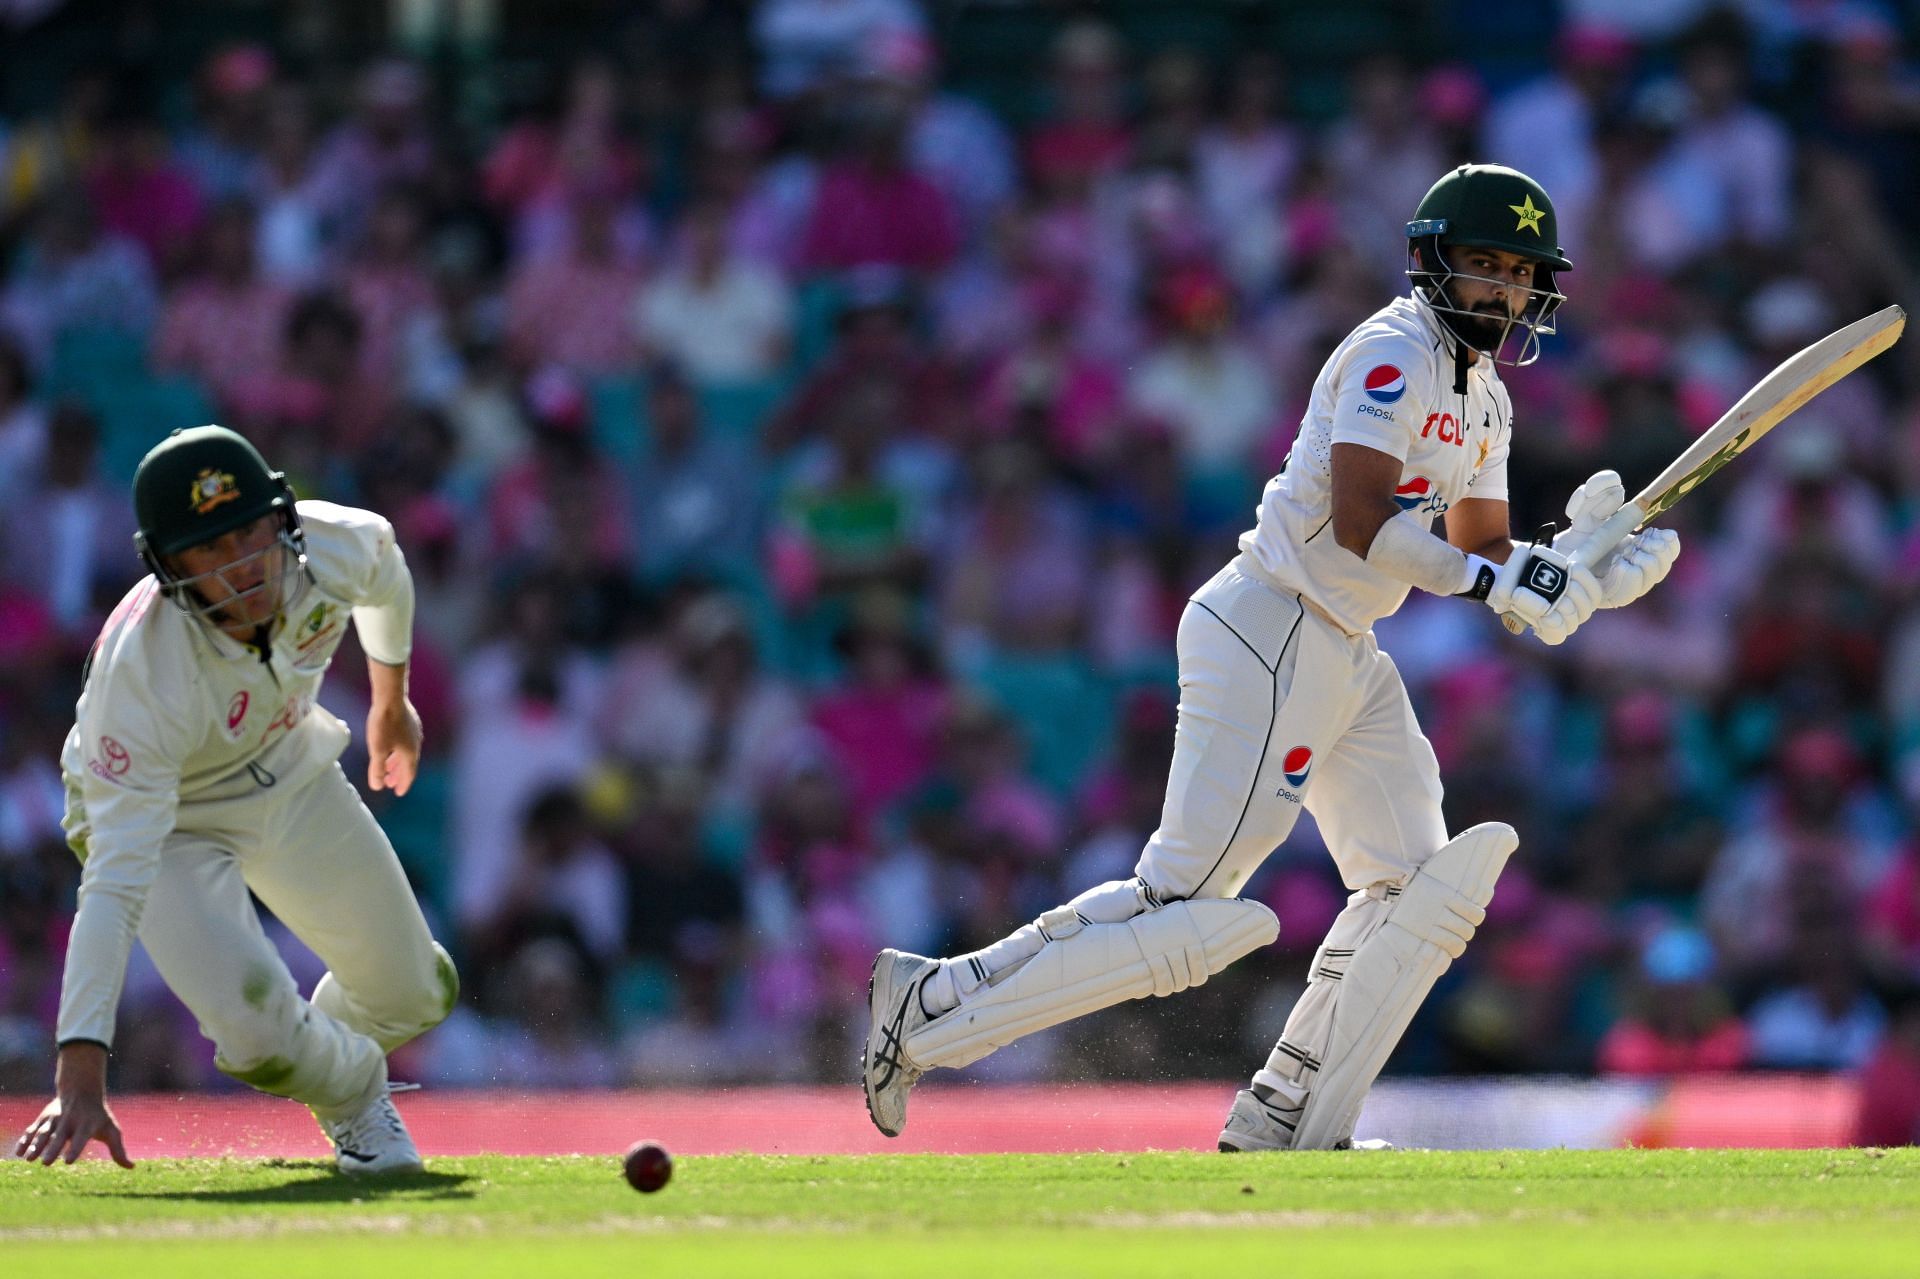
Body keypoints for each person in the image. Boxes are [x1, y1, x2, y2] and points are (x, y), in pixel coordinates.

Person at [862, 164, 1682, 1149]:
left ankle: (1285, 1112)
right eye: (1483, 265)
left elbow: (1489, 551)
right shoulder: (1392, 351)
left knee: (1413, 890)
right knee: (1183, 910)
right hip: (1276, 621)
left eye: (1519, 271)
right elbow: (1360, 524)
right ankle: (929, 1008)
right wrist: (1499, 581)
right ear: (1433, 263)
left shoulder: (1488, 401)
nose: (1502, 290)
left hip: (1344, 643)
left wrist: (1582, 568)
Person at [12, 425, 455, 1174]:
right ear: (167, 566)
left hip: (288, 769)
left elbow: (386, 568)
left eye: (249, 532)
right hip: (168, 819)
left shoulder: (332, 546)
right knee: (257, 1038)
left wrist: (391, 702)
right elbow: (114, 886)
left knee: (419, 993)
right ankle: (352, 1097)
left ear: (282, 518)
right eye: (209, 549)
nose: (242, 564)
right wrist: (79, 1071)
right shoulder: (144, 677)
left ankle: (320, 1053)